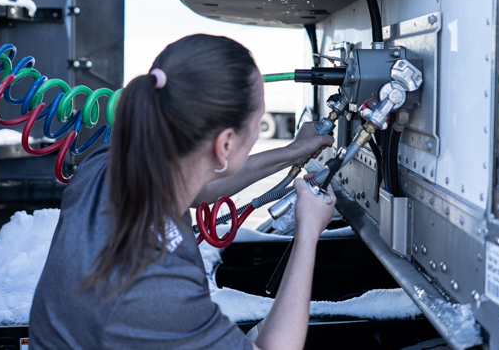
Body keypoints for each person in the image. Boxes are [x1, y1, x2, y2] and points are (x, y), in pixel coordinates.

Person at [29, 34, 336, 349]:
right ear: (225, 144)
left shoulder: (107, 164)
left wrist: (292, 151)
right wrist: (308, 232)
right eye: (257, 123)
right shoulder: (161, 291)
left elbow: (202, 186)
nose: (258, 131)